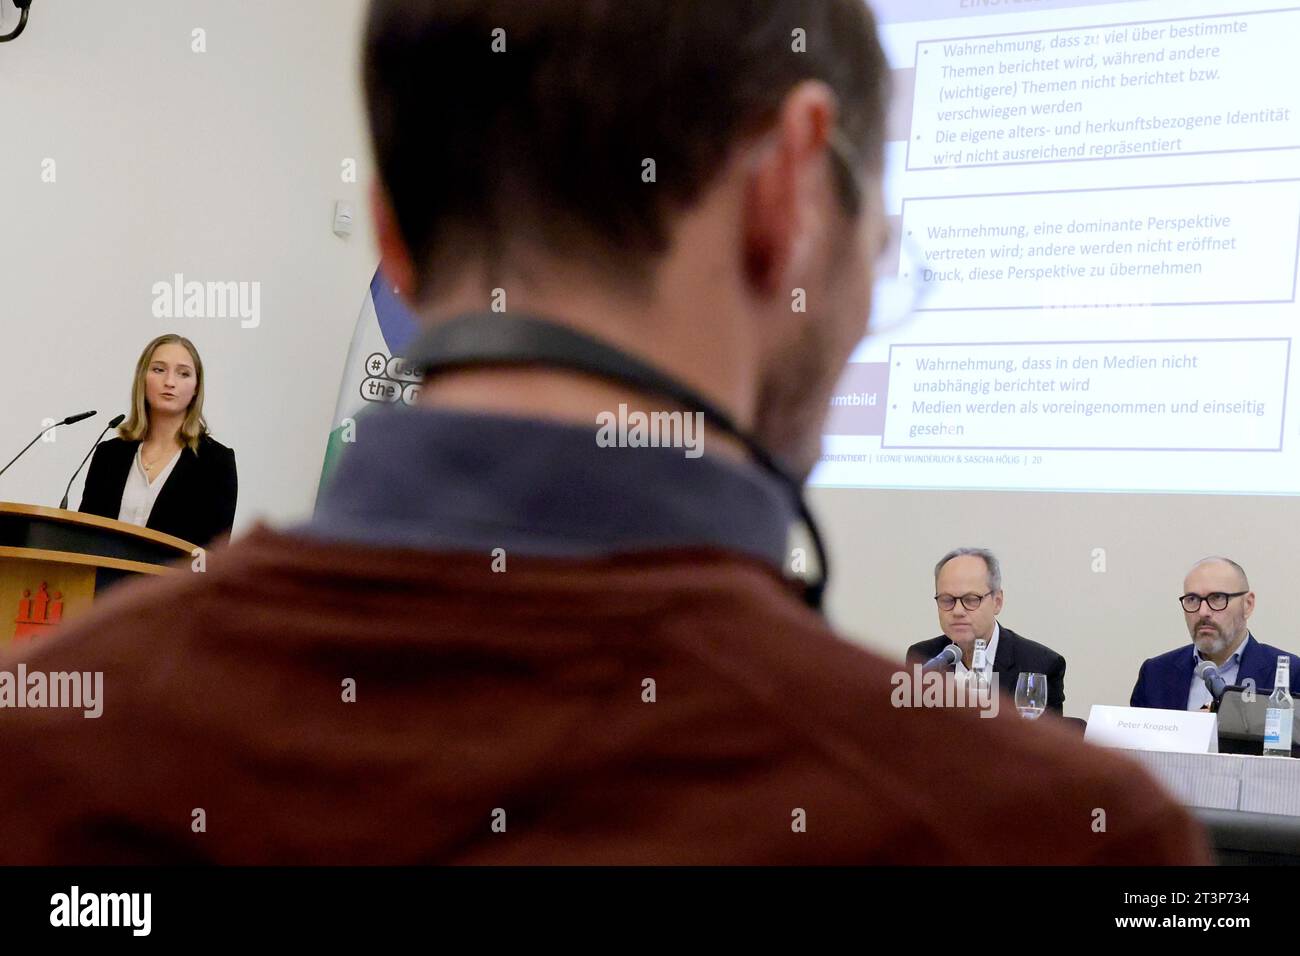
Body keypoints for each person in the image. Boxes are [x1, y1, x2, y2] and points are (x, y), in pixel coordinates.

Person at [0, 0, 1204, 864]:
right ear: (787, 193)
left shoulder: (43, 743)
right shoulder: (1045, 834)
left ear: (394, 238)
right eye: (879, 251)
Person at [78, 333, 237, 548]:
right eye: (159, 370)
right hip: (106, 581)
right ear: (142, 378)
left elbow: (211, 554)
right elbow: (83, 537)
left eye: (183, 374)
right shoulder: (109, 454)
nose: (170, 382)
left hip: (173, 582)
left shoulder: (216, 461)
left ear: (196, 388)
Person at [908, 548, 1066, 713]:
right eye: (947, 600)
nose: (957, 611)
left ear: (997, 602)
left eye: (971, 599)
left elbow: (1044, 737)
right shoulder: (924, 658)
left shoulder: (1039, 665)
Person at [1131, 556, 1300, 711]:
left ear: (1247, 605)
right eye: (1192, 599)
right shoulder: (1156, 674)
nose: (1203, 611)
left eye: (1217, 597)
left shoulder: (1290, 673)